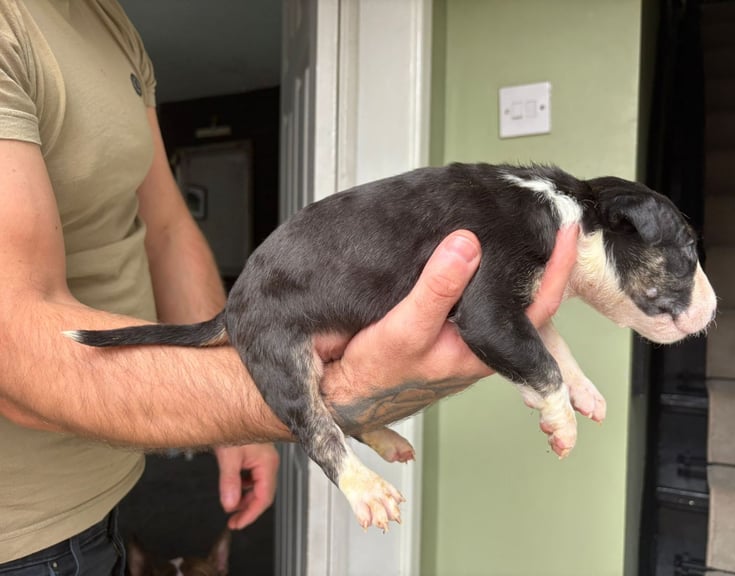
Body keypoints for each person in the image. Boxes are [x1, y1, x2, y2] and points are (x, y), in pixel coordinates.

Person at [0, 0, 578, 573]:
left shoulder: (110, 24)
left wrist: (232, 408)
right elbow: (18, 352)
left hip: (110, 488)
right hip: (26, 540)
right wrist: (318, 396)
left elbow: (168, 229)